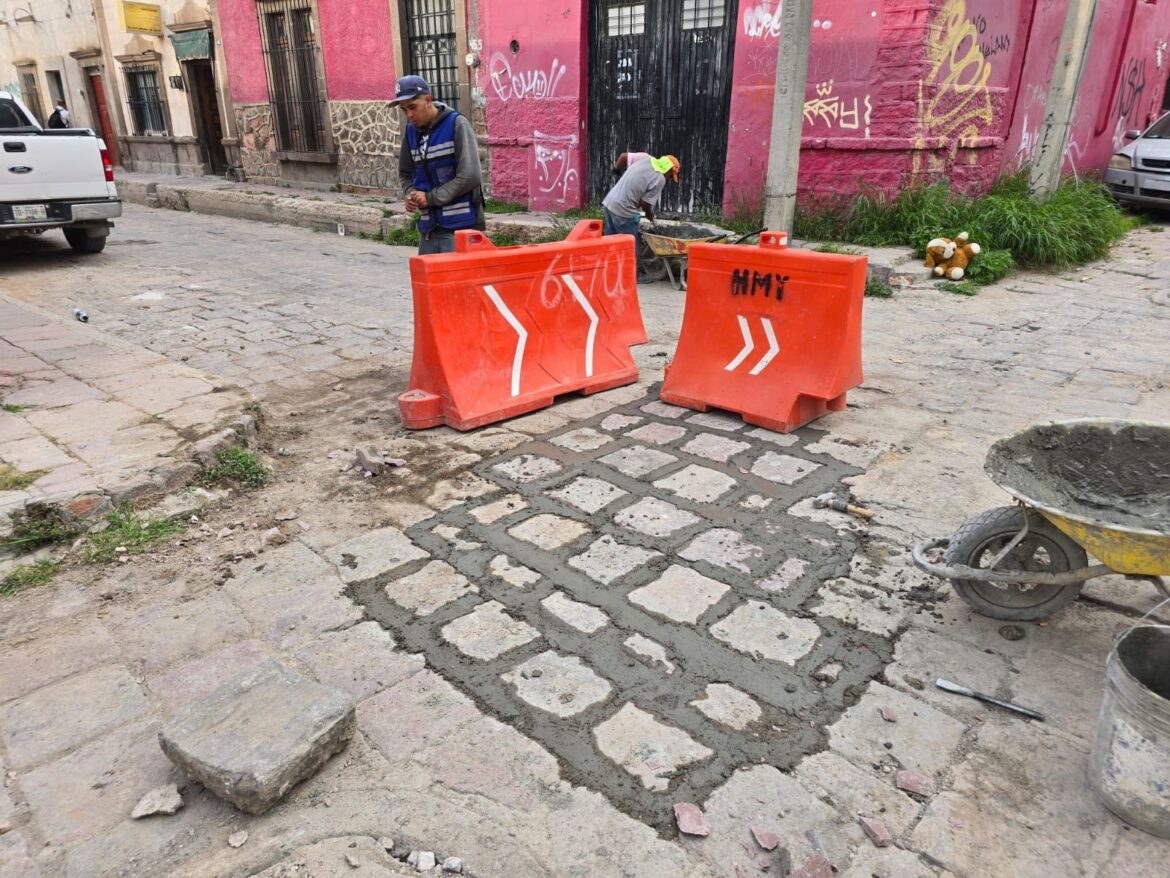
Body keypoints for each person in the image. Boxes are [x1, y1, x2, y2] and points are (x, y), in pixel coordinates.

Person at [393, 75, 484, 254]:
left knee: (459, 283)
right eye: (404, 110)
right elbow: (405, 174)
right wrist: (412, 194)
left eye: (412, 107)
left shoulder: (457, 124)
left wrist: (430, 198)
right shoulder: (410, 132)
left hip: (461, 229)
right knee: (429, 282)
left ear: (428, 100)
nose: (409, 115)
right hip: (428, 230)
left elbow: (470, 176)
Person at [601, 153, 680, 262]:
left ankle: (608, 271)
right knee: (631, 247)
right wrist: (649, 214)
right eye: (671, 176)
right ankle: (636, 276)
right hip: (624, 212)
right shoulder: (660, 178)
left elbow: (623, 157)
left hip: (610, 203)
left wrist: (616, 170)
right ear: (668, 170)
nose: (669, 179)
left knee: (609, 244)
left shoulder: (645, 158)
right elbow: (645, 204)